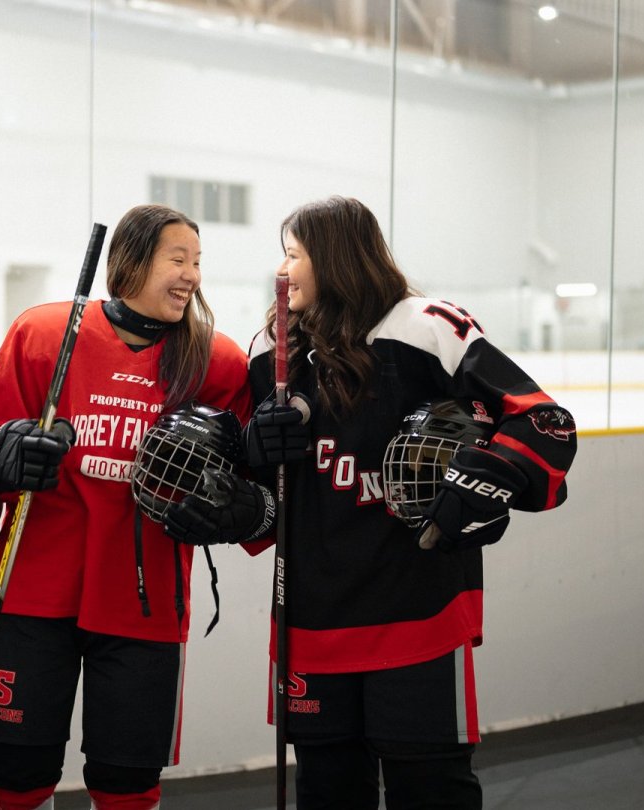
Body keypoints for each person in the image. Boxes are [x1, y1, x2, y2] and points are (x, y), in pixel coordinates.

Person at [213, 196, 577, 809]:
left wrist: (486, 474)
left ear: (335, 259)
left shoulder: (427, 326)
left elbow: (543, 421)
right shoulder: (272, 354)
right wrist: (251, 450)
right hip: (313, 621)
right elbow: (262, 501)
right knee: (329, 792)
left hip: (419, 614)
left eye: (294, 254)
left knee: (431, 789)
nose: (282, 270)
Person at [0, 204, 252, 810]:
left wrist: (236, 503)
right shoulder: (44, 334)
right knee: (18, 773)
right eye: (178, 259)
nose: (192, 275)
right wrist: (7, 454)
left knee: (126, 782)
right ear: (130, 262)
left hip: (142, 605)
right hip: (35, 591)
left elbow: (250, 480)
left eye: (198, 262)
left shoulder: (215, 361)